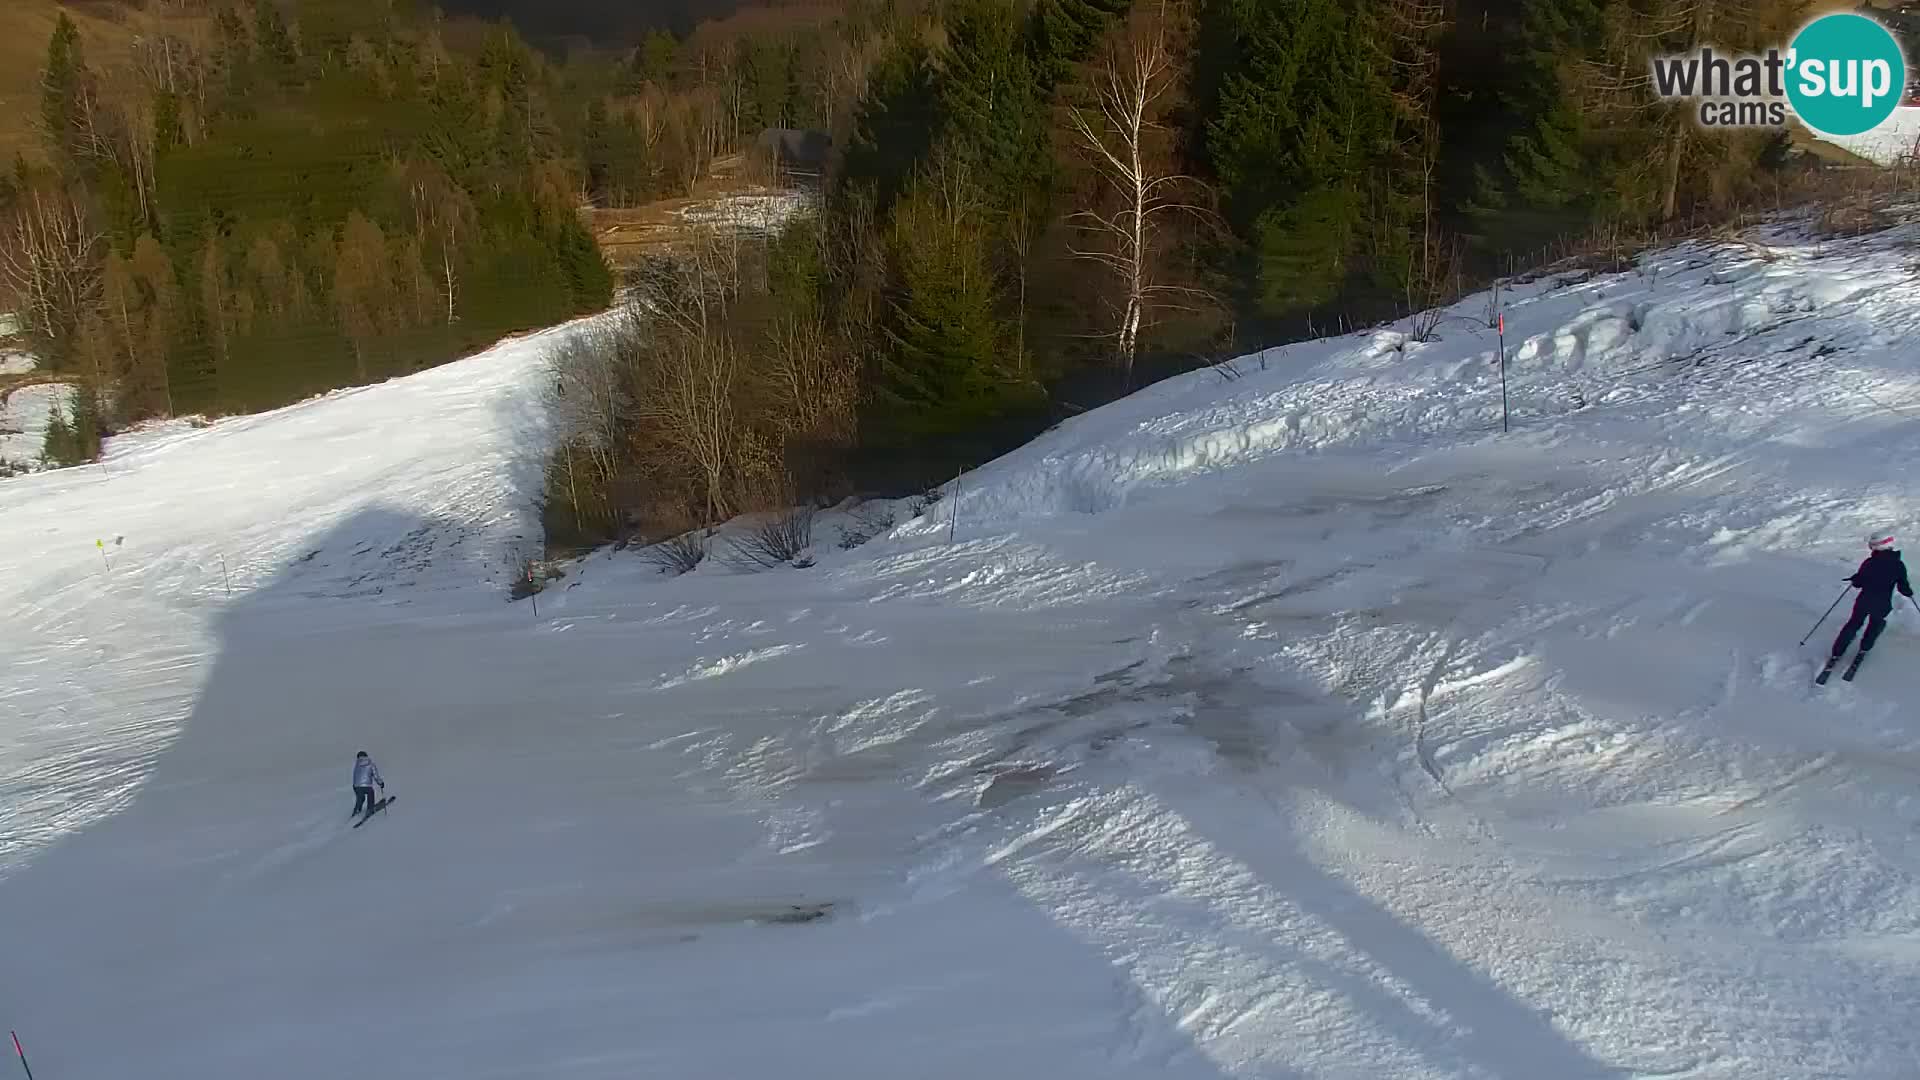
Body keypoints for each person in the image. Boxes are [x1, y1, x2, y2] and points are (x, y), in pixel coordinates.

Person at [1830, 532, 1914, 662]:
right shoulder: (1899, 565)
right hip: (1882, 603)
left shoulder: (1869, 562)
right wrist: (1909, 592)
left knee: (1853, 624)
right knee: (1875, 625)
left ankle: (1837, 652)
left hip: (1863, 601)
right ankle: (1864, 648)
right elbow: (1903, 587)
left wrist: (1856, 579)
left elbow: (1859, 583)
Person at [351, 751, 386, 817]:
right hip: (367, 786)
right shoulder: (371, 764)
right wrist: (381, 783)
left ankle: (357, 809)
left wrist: (356, 786)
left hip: (356, 786)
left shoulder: (356, 765)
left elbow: (355, 776)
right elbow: (376, 776)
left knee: (360, 797)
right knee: (371, 793)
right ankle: (370, 809)